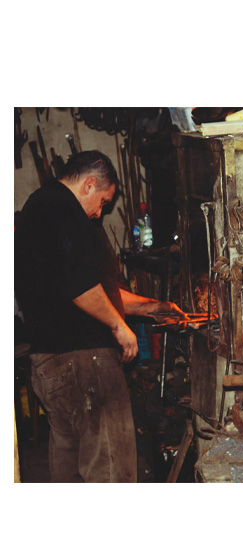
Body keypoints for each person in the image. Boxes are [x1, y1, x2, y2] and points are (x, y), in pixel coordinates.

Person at [14, 150, 189, 482]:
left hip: (52, 366)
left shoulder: (41, 208)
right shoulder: (60, 208)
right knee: (110, 473)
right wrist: (118, 326)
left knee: (70, 475)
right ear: (89, 184)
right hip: (84, 364)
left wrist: (153, 307)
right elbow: (79, 286)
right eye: (103, 202)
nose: (99, 213)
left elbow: (96, 293)